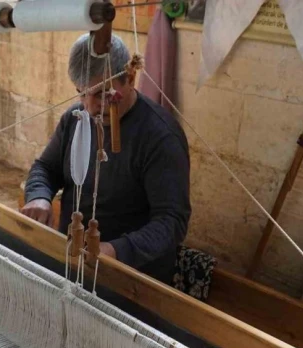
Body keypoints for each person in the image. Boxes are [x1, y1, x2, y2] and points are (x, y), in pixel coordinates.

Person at [21, 33, 191, 286]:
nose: (90, 108)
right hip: (75, 262)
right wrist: (39, 196)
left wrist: (115, 250)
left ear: (130, 78)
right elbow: (46, 168)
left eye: (102, 94)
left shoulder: (160, 137)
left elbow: (171, 221)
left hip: (131, 277)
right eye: (82, 93)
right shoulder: (76, 118)